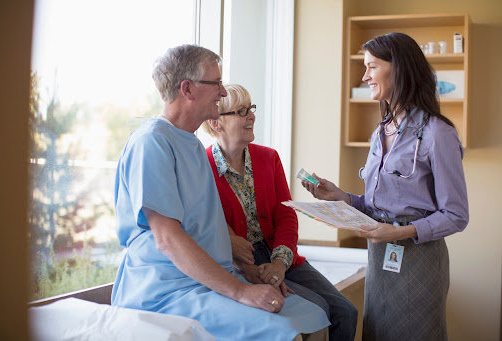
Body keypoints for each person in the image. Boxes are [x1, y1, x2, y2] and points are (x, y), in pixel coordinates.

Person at [111, 44, 330, 341]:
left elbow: (209, 228)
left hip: (212, 277)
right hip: (168, 288)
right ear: (187, 89)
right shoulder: (151, 143)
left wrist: (247, 273)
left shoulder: (191, 146)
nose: (223, 92)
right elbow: (168, 240)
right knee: (284, 333)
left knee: (316, 319)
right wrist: (241, 291)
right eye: (216, 83)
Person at [301, 32, 469, 341]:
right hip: (380, 258)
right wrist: (342, 197)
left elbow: (456, 215)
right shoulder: (381, 132)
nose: (364, 76)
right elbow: (378, 206)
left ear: (399, 69)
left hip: (419, 260)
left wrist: (400, 232)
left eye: (371, 67)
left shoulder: (437, 133)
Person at [202, 84, 358, 341]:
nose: (252, 116)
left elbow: (286, 215)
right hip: (243, 263)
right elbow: (209, 227)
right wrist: (248, 267)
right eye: (242, 111)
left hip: (281, 254)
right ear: (216, 123)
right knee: (320, 310)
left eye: (251, 109)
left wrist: (279, 262)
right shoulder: (203, 167)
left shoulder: (268, 158)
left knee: (345, 311)